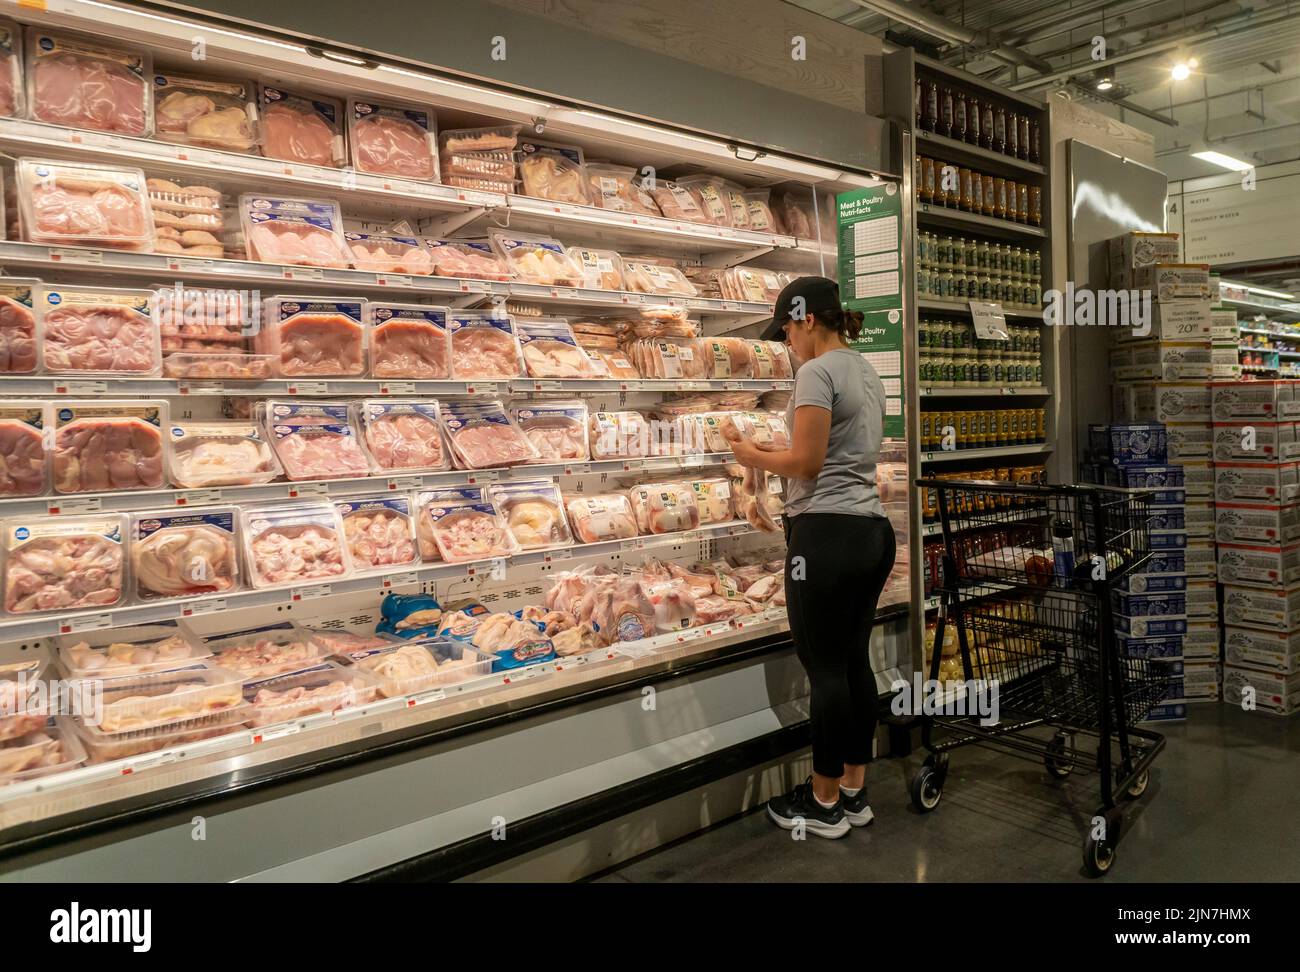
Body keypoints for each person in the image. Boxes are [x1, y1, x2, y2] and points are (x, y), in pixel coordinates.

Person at [726, 276, 896, 840]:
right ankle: (852, 790)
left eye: (786, 331)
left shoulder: (816, 373)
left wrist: (751, 454)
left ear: (804, 320)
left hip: (825, 536)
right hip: (869, 533)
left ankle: (821, 804)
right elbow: (839, 454)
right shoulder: (866, 371)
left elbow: (806, 464)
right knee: (853, 663)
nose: (786, 344)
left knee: (825, 670)